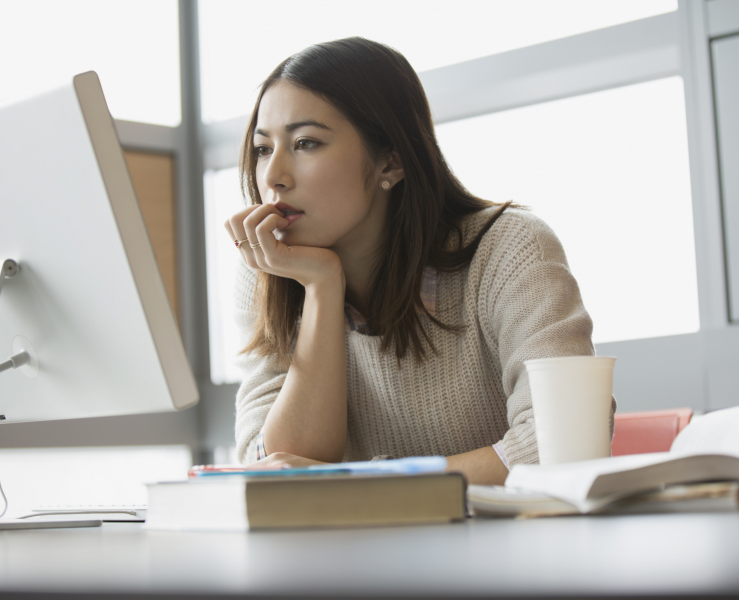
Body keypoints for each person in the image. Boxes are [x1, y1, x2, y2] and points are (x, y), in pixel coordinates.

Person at [226, 37, 607, 486]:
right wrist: (322, 288)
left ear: (391, 161)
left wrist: (367, 483)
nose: (273, 177)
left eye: (306, 143)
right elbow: (275, 467)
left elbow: (561, 447)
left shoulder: (509, 248)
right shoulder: (273, 272)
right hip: (353, 555)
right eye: (263, 148)